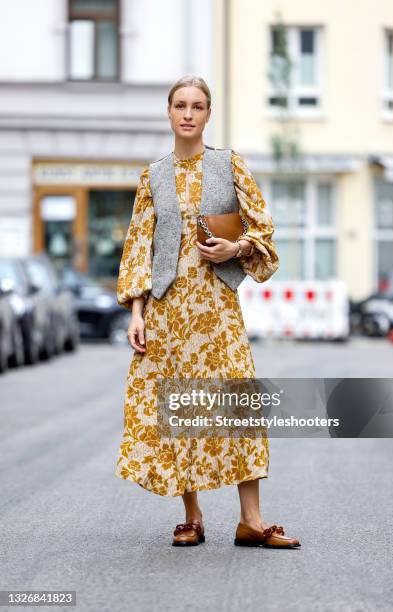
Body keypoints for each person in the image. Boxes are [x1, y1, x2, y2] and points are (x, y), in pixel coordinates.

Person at [115, 75, 301, 549]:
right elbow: (139, 247)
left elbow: (262, 230)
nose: (189, 114)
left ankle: (251, 521)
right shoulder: (152, 176)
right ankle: (192, 517)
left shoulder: (228, 164)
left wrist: (234, 247)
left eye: (198, 106)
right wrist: (136, 313)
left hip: (216, 308)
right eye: (180, 105)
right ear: (169, 111)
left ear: (208, 114)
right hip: (167, 310)